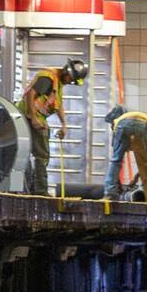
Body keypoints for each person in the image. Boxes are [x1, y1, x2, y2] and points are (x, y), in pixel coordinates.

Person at [14, 58, 89, 193]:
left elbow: (58, 105)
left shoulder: (57, 82)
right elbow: (31, 94)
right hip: (26, 116)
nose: (70, 82)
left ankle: (32, 189)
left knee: (39, 154)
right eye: (71, 80)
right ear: (67, 73)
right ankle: (40, 191)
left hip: (34, 117)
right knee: (41, 155)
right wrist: (33, 117)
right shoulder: (48, 78)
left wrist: (64, 124)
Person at [107, 104, 147, 198]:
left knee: (116, 160)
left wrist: (117, 187)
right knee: (146, 162)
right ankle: (145, 190)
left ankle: (110, 191)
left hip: (124, 126)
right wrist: (135, 180)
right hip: (145, 126)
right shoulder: (143, 122)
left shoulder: (117, 123)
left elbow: (116, 161)